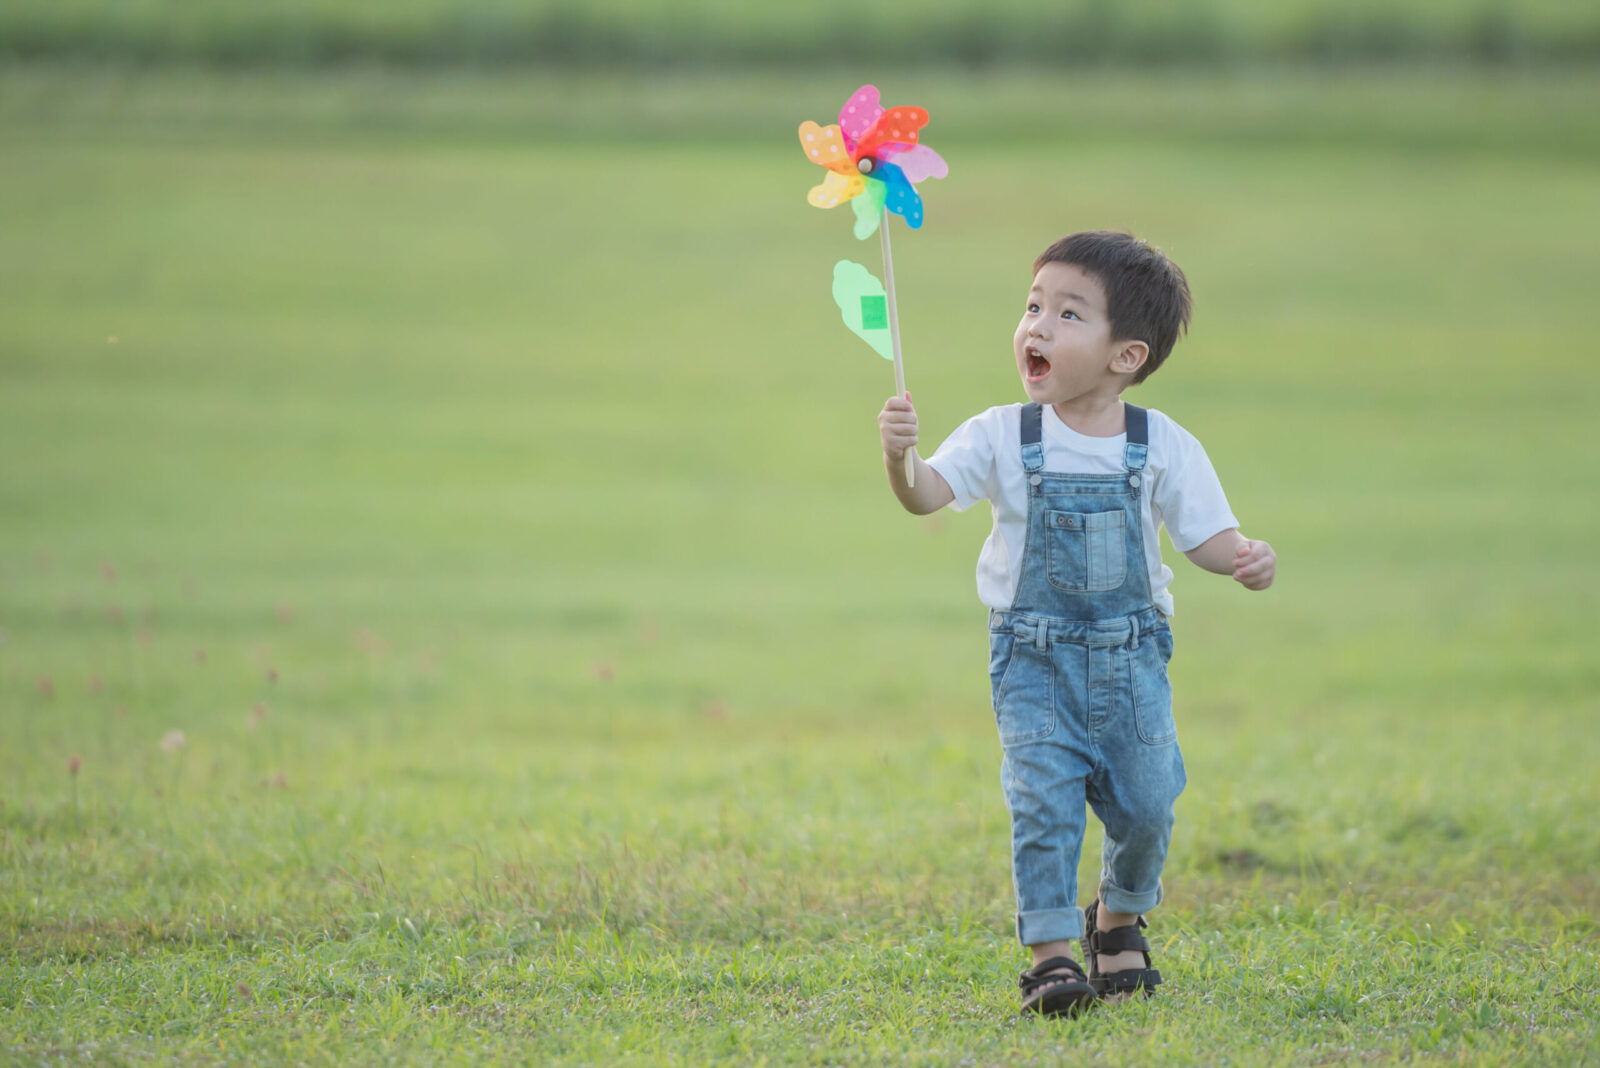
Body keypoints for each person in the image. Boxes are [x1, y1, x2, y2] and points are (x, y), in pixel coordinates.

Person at [876, 230, 1276, 1016]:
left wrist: (1243, 556)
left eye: (1066, 313)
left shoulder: (1160, 444)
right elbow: (926, 495)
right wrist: (900, 459)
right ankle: (1052, 956)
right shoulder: (1000, 433)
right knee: (1043, 804)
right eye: (1032, 307)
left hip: (1131, 658)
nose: (1037, 326)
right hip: (1033, 658)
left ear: (1125, 355)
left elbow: (1203, 535)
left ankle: (1119, 914)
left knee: (1149, 801)